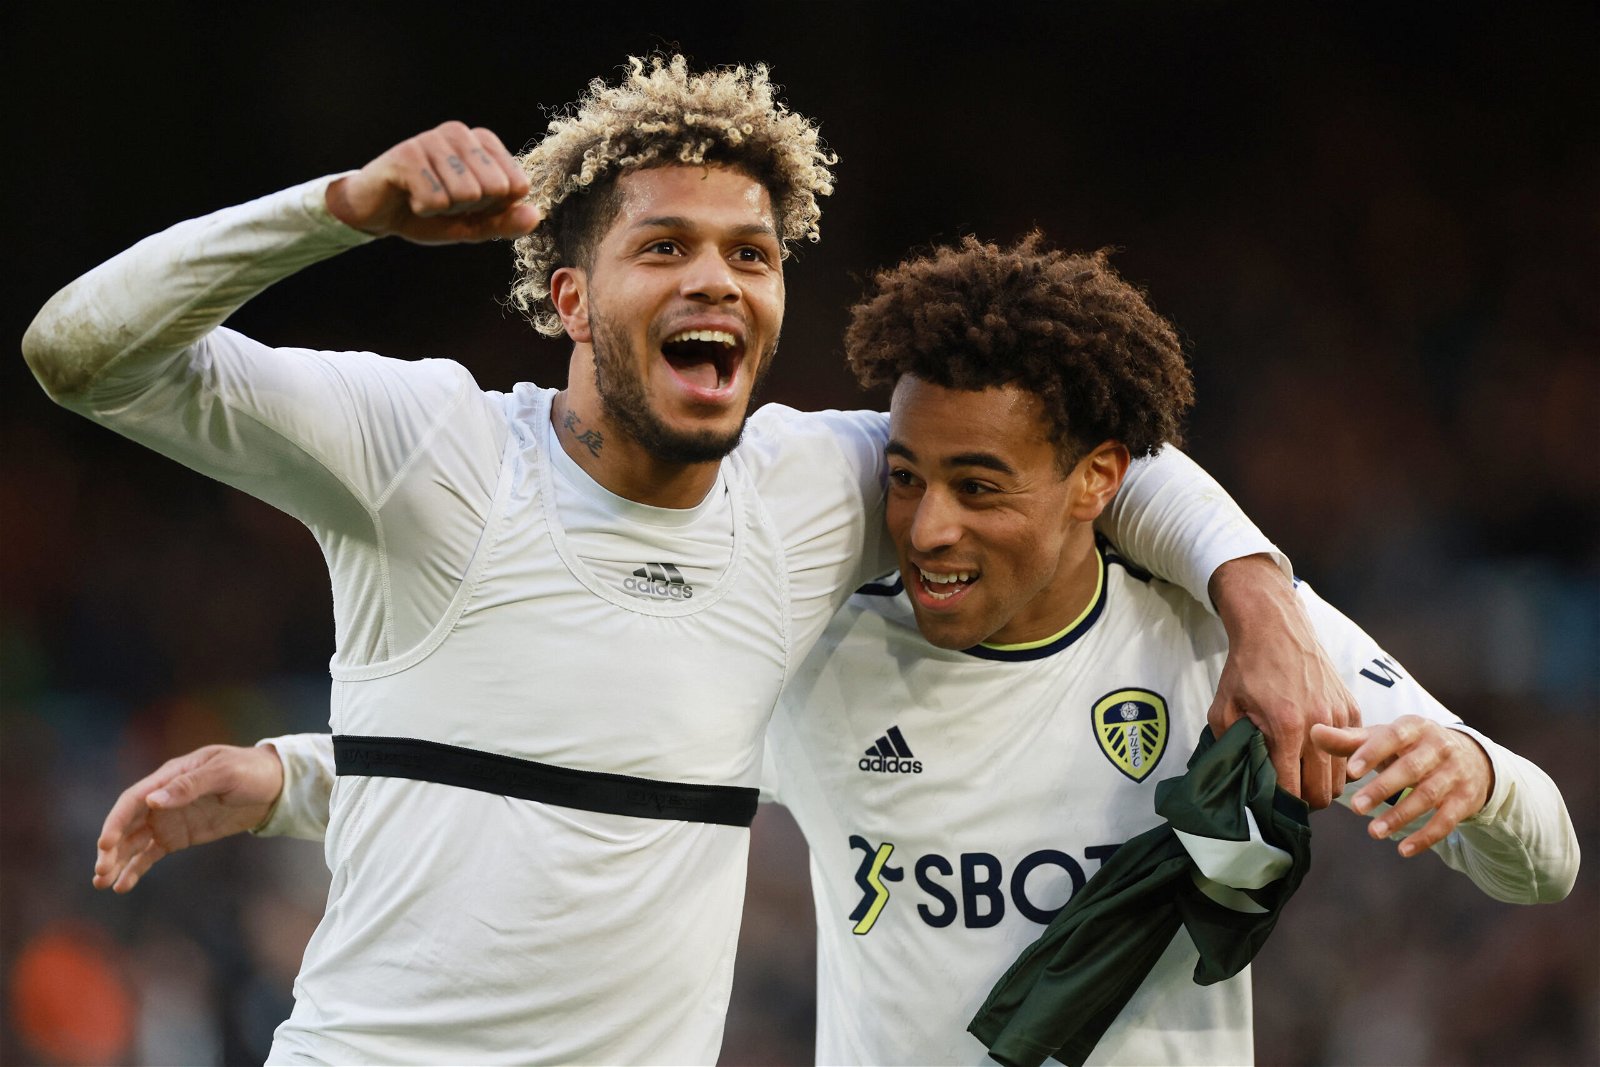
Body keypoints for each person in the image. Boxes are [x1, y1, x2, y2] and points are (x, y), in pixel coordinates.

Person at [32, 58, 1352, 1064]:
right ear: (567, 297)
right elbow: (82, 353)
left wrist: (1261, 603)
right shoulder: (426, 451)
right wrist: (338, 211)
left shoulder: (818, 487)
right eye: (664, 247)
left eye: (751, 255)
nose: (716, 280)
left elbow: (1088, 446)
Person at [116, 235, 1582, 1064]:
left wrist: (1466, 776)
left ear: (1098, 482)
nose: (925, 525)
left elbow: (1548, 861)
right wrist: (290, 775)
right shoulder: (825, 654)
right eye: (906, 474)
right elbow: (573, 755)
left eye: (980, 486)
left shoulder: (1241, 643)